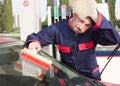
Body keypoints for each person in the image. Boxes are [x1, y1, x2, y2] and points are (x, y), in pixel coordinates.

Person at [24, 0, 120, 80]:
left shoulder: (92, 32)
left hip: (91, 78)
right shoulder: (58, 29)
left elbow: (114, 39)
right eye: (81, 21)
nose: (82, 27)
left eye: (87, 25)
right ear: (74, 15)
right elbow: (37, 37)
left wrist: (96, 16)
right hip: (68, 79)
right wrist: (33, 42)